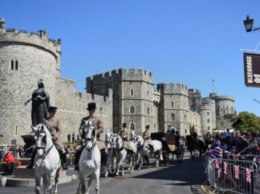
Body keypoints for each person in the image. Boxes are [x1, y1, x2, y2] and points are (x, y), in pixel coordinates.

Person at [73, 102, 107, 171]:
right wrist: (81, 133)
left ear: (94, 110)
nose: (91, 111)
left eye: (92, 110)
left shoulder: (98, 119)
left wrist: (94, 132)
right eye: (90, 110)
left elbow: (102, 128)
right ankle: (76, 164)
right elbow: (80, 128)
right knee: (78, 149)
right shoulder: (84, 119)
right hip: (86, 139)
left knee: (103, 150)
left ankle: (103, 165)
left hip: (96, 139)